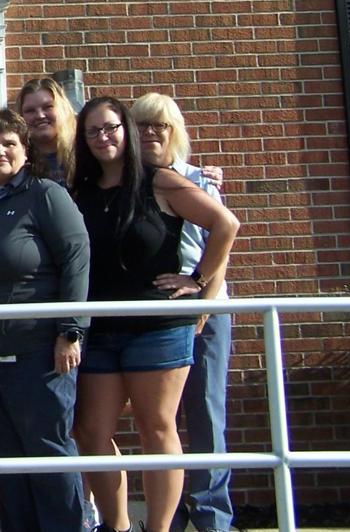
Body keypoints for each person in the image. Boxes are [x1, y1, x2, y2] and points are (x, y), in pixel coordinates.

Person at [70, 97, 239, 532]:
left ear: (125, 130)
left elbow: (225, 224)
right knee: (90, 431)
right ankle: (118, 525)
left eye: (111, 127)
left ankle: (160, 528)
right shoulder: (78, 192)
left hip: (158, 327)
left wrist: (198, 280)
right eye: (93, 131)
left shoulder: (160, 182)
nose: (103, 137)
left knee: (156, 427)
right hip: (99, 329)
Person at [0, 108, 90, 532]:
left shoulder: (45, 195)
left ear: (25, 150)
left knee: (46, 450)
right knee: (4, 455)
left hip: (37, 354)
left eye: (9, 143)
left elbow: (77, 260)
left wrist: (70, 330)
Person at [130, 94, 236, 532]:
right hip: (158, 317)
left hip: (205, 312)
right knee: (160, 420)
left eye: (161, 126)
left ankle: (212, 517)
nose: (151, 133)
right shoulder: (131, 185)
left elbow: (222, 240)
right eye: (142, 125)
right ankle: (168, 516)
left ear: (175, 132)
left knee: (206, 412)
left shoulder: (197, 180)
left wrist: (202, 294)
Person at [16, 77, 76, 185]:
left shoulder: (83, 154)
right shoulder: (17, 165)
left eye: (48, 107)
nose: (40, 116)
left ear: (63, 109)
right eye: (30, 110)